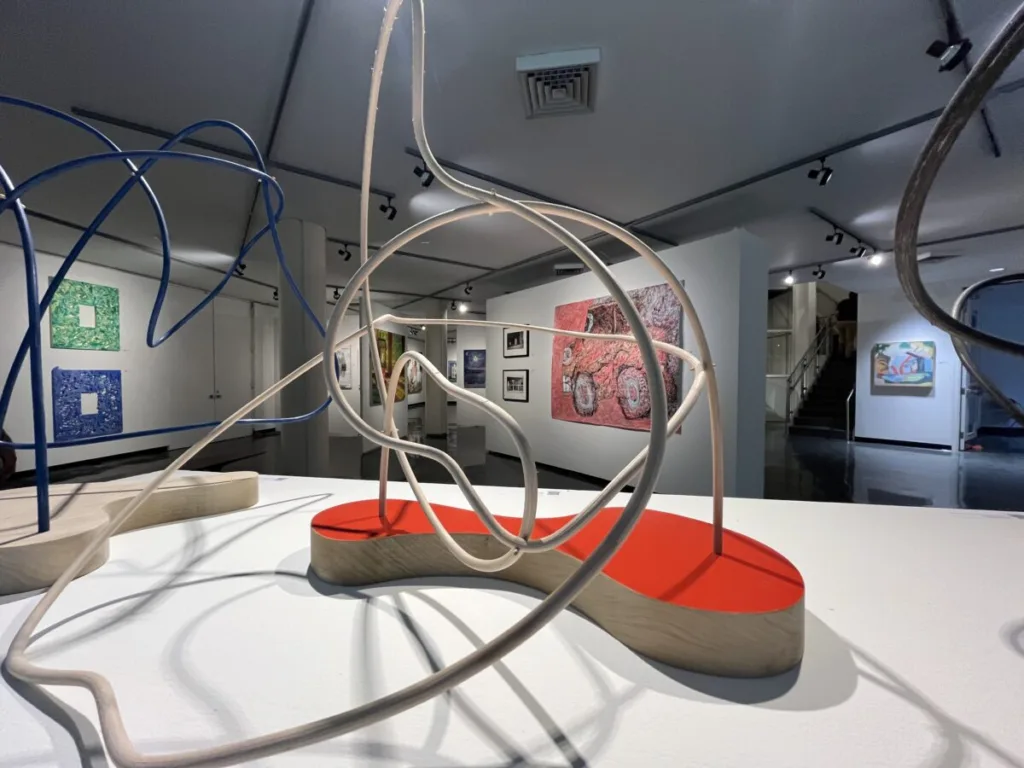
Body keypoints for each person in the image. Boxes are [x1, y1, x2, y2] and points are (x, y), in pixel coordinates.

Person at [835, 292, 858, 359]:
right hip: (852, 322)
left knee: (841, 338)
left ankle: (839, 354)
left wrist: (839, 320)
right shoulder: (857, 303)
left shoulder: (843, 302)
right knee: (849, 340)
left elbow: (836, 313)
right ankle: (847, 357)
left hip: (840, 323)